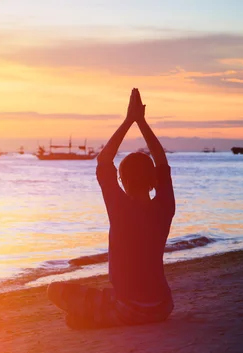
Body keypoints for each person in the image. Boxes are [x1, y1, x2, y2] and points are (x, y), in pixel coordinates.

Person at [48, 88, 176, 329]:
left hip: (129, 308)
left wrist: (130, 120)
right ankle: (98, 316)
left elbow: (104, 161)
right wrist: (142, 123)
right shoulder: (164, 208)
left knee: (55, 291)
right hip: (163, 307)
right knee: (84, 313)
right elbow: (162, 162)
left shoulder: (120, 209)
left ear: (123, 181)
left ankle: (101, 318)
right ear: (154, 181)